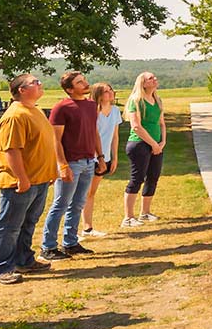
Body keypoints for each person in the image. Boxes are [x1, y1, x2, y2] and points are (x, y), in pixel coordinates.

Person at [0, 74, 64, 285]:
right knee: (10, 226)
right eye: (35, 82)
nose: (40, 84)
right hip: (21, 182)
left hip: (39, 180)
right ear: (21, 90)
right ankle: (2, 268)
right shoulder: (15, 115)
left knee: (28, 223)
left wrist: (49, 172)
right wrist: (21, 178)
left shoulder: (35, 110)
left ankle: (24, 259)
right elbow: (12, 150)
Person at [38, 71, 99, 261]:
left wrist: (101, 156)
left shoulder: (90, 105)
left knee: (78, 203)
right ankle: (48, 246)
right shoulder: (61, 108)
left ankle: (70, 242)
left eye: (84, 80)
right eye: (80, 82)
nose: (85, 84)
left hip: (89, 161)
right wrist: (61, 165)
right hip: (71, 162)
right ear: (70, 89)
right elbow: (55, 140)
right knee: (61, 204)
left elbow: (94, 131)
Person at [122, 72, 166, 228]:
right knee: (137, 179)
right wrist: (153, 144)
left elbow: (161, 123)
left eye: (155, 77)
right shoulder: (136, 101)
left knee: (153, 177)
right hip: (139, 144)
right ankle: (128, 218)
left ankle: (145, 212)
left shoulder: (157, 100)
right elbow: (136, 126)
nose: (155, 80)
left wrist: (162, 142)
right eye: (150, 78)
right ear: (143, 83)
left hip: (156, 144)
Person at [81, 83, 123, 237]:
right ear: (98, 94)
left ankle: (88, 227)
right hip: (90, 157)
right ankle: (85, 227)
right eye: (106, 91)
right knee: (84, 192)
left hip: (105, 156)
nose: (111, 93)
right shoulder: (92, 111)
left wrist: (115, 157)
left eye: (111, 89)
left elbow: (115, 136)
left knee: (91, 192)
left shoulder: (116, 111)